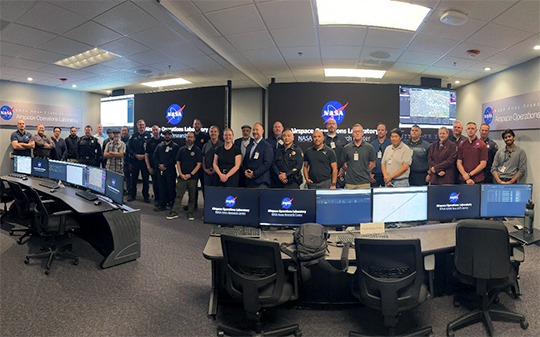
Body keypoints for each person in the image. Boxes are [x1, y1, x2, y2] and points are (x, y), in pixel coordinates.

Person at [167, 132, 202, 221]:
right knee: (178, 195)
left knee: (192, 197)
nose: (189, 138)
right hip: (182, 177)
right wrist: (181, 174)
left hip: (193, 178)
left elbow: (199, 164)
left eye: (191, 137)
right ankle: (175, 212)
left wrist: (190, 174)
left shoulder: (197, 150)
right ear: (185, 138)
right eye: (187, 137)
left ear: (194, 139)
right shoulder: (181, 149)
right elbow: (178, 162)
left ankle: (190, 213)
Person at [341, 123, 375, 189]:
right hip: (350, 183)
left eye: (359, 131)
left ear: (362, 133)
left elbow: (372, 164)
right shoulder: (346, 148)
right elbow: (344, 164)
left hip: (364, 182)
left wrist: (364, 171)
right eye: (355, 132)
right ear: (352, 134)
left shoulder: (369, 147)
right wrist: (352, 172)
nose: (357, 133)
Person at [153, 129, 179, 212]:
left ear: (171, 136)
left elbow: (175, 158)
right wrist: (159, 165)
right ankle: (162, 205)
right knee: (161, 188)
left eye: (168, 134)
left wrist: (165, 165)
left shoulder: (175, 146)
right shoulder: (160, 146)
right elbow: (155, 156)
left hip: (170, 170)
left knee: (171, 189)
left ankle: (173, 206)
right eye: (165, 134)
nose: (167, 136)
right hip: (160, 171)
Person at [127, 119, 151, 203]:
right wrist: (135, 155)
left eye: (143, 125)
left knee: (145, 180)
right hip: (135, 161)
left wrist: (145, 156)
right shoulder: (133, 136)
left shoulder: (148, 136)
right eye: (140, 125)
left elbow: (151, 149)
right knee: (133, 179)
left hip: (145, 161)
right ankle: (132, 195)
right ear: (137, 126)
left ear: (145, 126)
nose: (141, 126)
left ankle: (146, 196)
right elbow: (129, 148)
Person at [243, 123, 274, 188]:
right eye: (253, 130)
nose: (254, 132)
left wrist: (254, 174)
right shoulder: (250, 145)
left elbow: (267, 164)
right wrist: (245, 171)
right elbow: (245, 161)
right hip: (249, 182)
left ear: (262, 131)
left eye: (257, 130)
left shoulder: (267, 146)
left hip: (261, 182)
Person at [324, 118, 348, 188]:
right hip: (325, 173)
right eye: (329, 124)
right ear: (326, 126)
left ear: (336, 126)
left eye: (333, 124)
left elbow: (347, 155)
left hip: (339, 173)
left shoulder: (343, 139)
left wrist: (344, 168)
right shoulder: (322, 139)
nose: (331, 126)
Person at [145, 125, 164, 206]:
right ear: (152, 132)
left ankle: (164, 200)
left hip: (163, 167)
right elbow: (146, 155)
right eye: (153, 130)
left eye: (156, 130)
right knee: (155, 184)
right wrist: (148, 167)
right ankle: (157, 199)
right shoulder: (149, 142)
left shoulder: (164, 140)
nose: (155, 131)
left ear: (159, 130)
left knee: (163, 184)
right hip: (154, 166)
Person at [202, 125, 223, 191]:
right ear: (209, 133)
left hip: (219, 173)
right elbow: (203, 158)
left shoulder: (222, 145)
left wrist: (216, 170)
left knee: (218, 192)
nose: (213, 133)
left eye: (215, 131)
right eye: (211, 131)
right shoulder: (206, 145)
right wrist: (205, 169)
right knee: (207, 192)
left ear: (218, 133)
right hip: (207, 173)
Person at [370, 123, 391, 187]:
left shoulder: (390, 144)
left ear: (386, 132)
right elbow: (369, 160)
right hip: (375, 174)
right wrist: (370, 173)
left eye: (382, 130)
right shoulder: (372, 144)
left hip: (387, 175)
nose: (380, 132)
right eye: (379, 130)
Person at [121, 126, 132, 196]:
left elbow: (131, 152)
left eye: (125, 130)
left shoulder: (131, 141)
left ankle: (129, 193)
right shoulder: (119, 140)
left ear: (128, 132)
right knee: (120, 178)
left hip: (128, 163)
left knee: (128, 179)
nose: (124, 132)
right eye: (123, 130)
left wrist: (130, 163)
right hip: (120, 163)